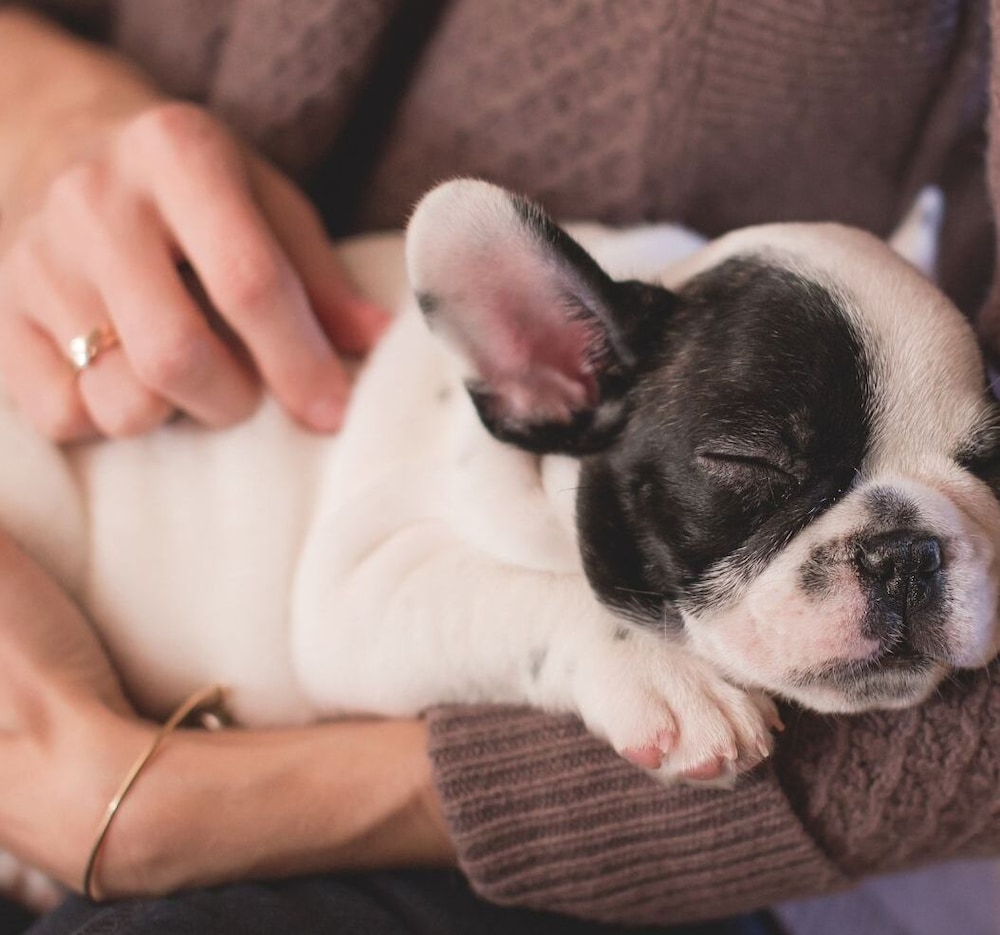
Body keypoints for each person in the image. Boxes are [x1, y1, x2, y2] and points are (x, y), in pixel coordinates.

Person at [0, 1, 998, 933]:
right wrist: (582, 644)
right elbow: (346, 626)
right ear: (540, 369)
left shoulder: (680, 364)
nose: (902, 558)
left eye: (974, 467)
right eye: (755, 469)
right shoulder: (566, 390)